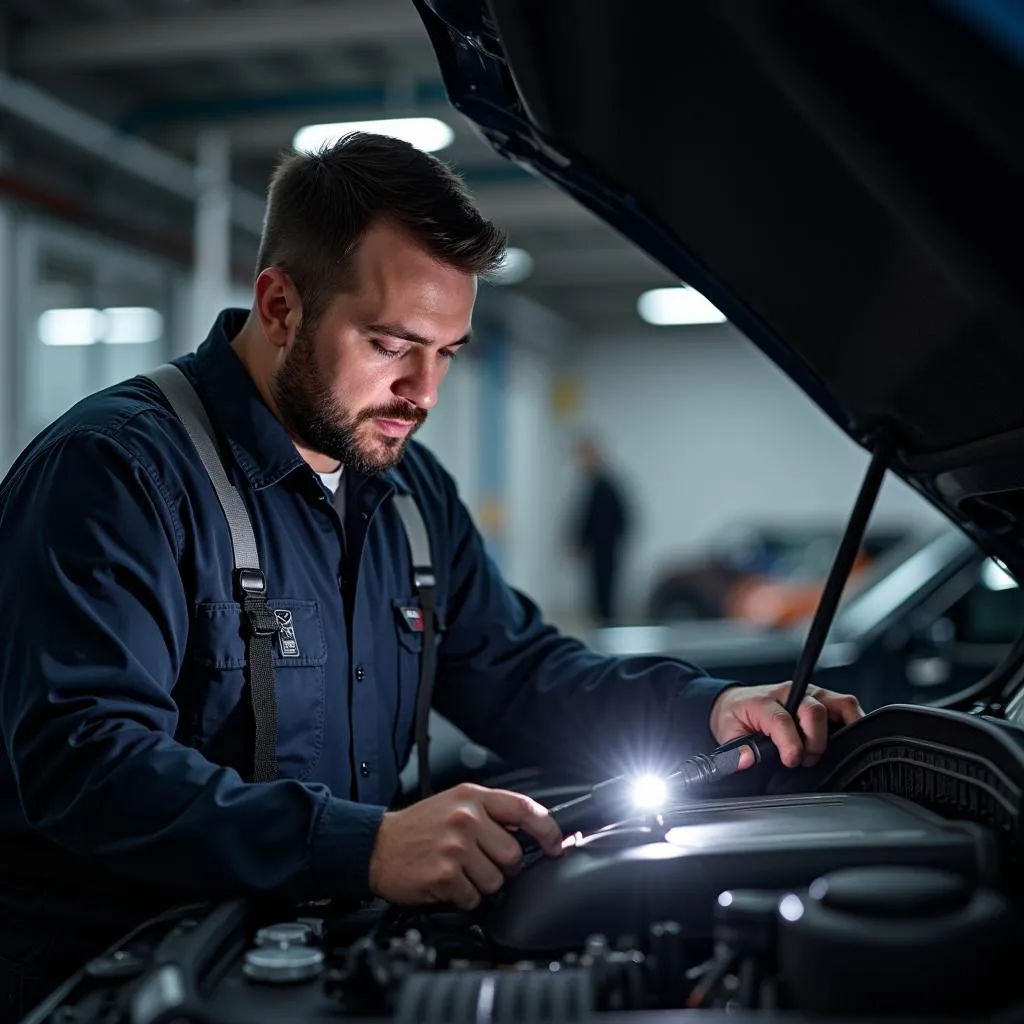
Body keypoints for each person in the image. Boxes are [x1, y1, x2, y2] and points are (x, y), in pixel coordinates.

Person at [0, 133, 863, 1018]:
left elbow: (520, 673)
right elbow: (87, 760)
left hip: (315, 967)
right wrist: (364, 845)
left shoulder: (407, 492)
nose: (424, 390)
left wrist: (703, 711)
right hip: (120, 982)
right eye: (391, 343)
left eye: (446, 352)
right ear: (279, 305)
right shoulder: (115, 474)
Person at [571, 437, 631, 625]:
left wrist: (607, 541)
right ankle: (602, 630)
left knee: (604, 596)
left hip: (605, 551)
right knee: (599, 597)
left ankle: (606, 633)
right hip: (598, 551)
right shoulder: (594, 486)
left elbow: (621, 519)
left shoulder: (605, 487)